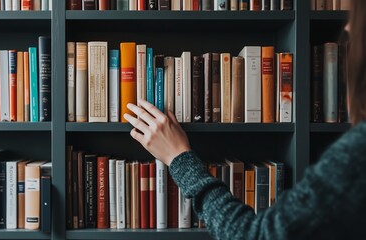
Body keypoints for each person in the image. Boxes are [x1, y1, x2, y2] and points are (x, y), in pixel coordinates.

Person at [124, 1, 366, 239]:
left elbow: (251, 236)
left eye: (356, 18)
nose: (346, 28)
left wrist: (178, 158)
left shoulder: (358, 152)